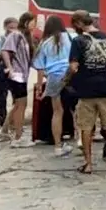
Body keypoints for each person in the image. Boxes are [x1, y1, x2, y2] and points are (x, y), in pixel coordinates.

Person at [67, 10, 106, 174]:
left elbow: (73, 66)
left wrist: (71, 76)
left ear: (78, 23)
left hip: (86, 91)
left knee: (86, 127)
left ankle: (88, 164)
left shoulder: (78, 41)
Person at [32, 16, 74, 157]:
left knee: (57, 112)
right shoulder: (69, 37)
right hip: (70, 75)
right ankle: (80, 140)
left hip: (54, 78)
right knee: (77, 110)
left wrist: (39, 87)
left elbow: (39, 67)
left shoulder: (44, 43)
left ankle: (57, 147)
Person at [1, 12, 36, 148]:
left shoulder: (26, 37)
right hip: (17, 75)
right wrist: (10, 67)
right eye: (33, 22)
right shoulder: (16, 35)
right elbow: (5, 51)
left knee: (18, 106)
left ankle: (6, 131)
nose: (35, 25)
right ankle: (18, 138)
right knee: (21, 106)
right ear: (26, 22)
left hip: (23, 75)